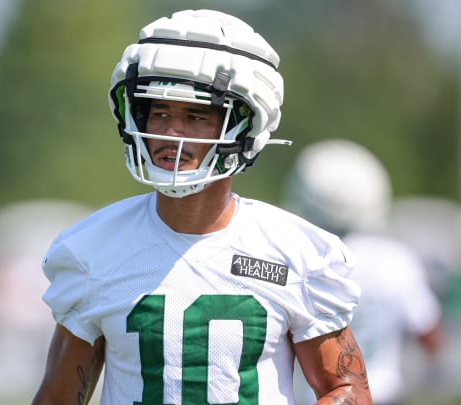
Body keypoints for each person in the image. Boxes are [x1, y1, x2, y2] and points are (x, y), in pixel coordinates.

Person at [32, 9, 371, 405]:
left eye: (195, 116)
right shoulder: (94, 250)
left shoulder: (296, 252)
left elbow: (346, 389)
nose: (170, 133)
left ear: (245, 127)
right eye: (159, 113)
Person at [286, 139, 444, 405]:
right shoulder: (396, 261)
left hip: (319, 397)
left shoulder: (298, 260)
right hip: (384, 395)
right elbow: (429, 335)